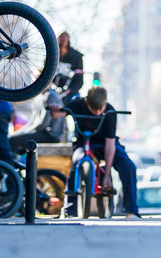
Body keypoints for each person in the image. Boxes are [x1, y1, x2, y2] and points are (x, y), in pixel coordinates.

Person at [57, 86, 139, 218]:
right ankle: (69, 210)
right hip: (83, 144)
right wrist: (55, 107)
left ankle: (131, 210)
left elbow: (110, 146)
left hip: (106, 144)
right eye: (93, 110)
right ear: (86, 102)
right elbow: (57, 114)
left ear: (105, 103)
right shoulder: (77, 105)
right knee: (76, 164)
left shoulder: (110, 112)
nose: (97, 113)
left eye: (101, 109)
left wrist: (106, 176)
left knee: (128, 166)